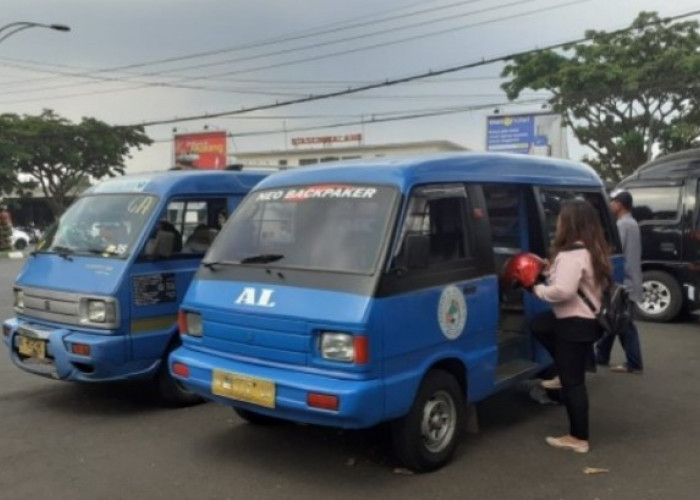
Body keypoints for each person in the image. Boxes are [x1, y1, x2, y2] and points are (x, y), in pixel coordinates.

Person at [528, 199, 611, 454]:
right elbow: (570, 279)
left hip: (575, 323)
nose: (559, 222)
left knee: (573, 383)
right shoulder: (592, 248)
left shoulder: (571, 254)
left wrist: (536, 288)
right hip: (587, 321)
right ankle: (561, 374)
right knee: (541, 324)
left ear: (570, 223)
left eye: (562, 218)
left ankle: (578, 438)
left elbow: (563, 290)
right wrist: (547, 269)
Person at [595, 190, 644, 374]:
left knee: (624, 324)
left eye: (612, 202)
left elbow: (614, 251)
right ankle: (601, 355)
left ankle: (634, 363)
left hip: (625, 281)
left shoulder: (622, 225)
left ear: (620, 205)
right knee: (612, 318)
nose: (609, 205)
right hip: (630, 278)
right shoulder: (632, 223)